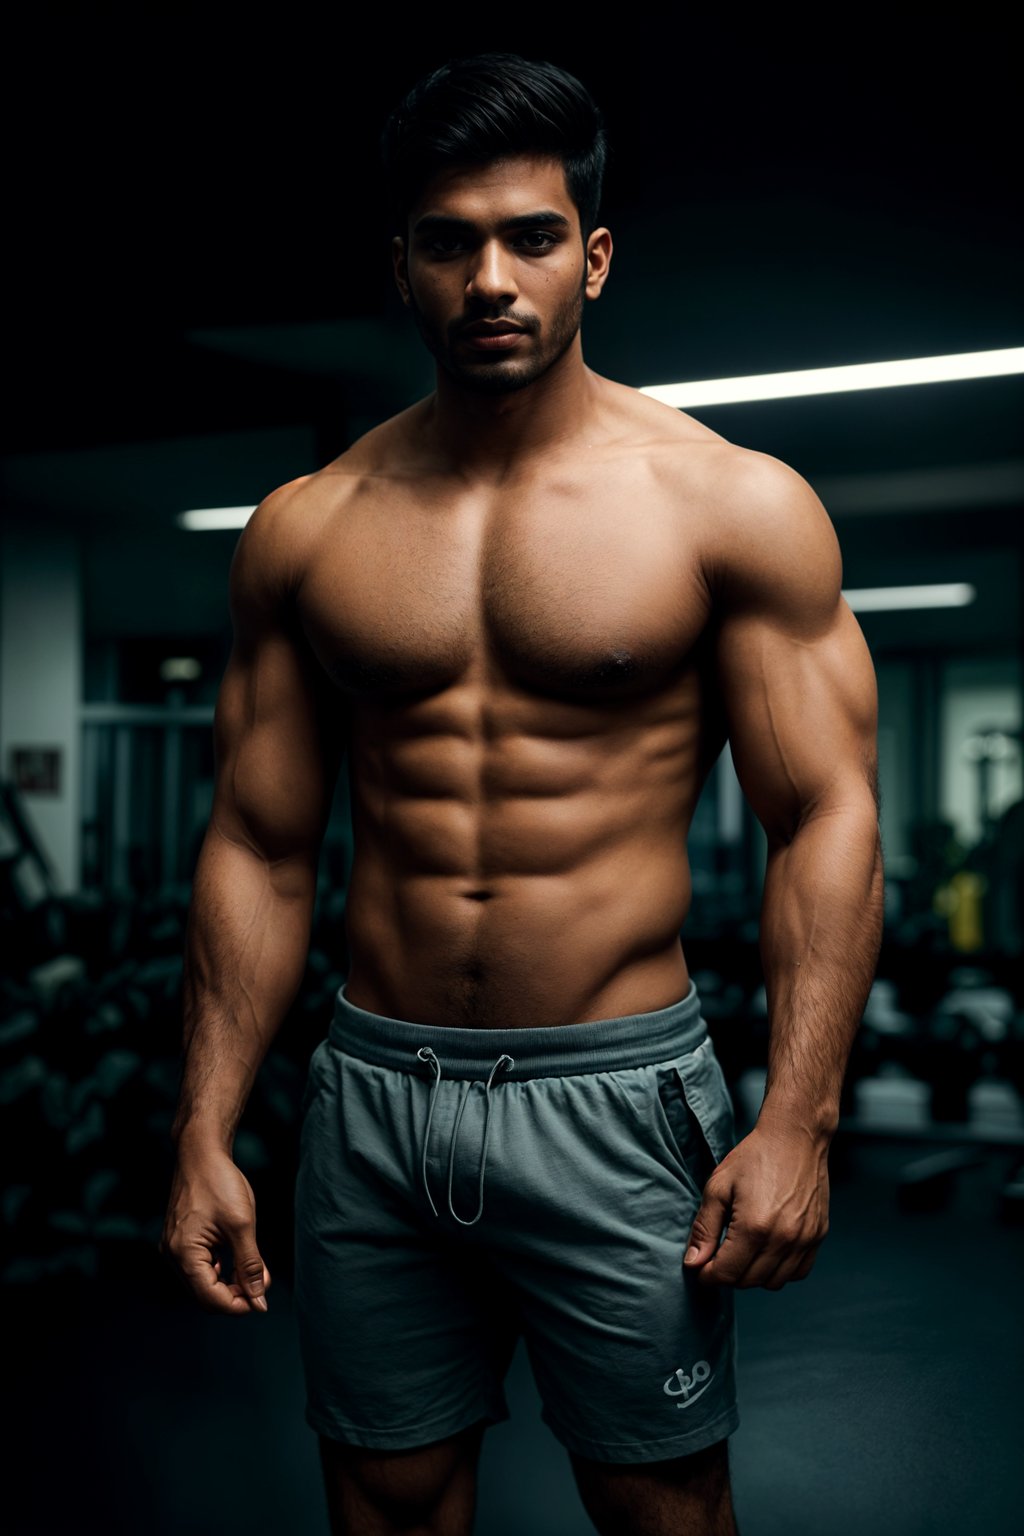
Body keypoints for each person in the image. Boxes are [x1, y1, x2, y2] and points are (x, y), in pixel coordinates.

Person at [161, 51, 884, 1536]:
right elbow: (258, 837)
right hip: (373, 1093)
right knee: (387, 1499)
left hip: (616, 1092)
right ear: (405, 268)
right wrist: (204, 1125)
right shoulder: (306, 532)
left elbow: (828, 816)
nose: (491, 277)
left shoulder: (729, 505)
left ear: (594, 260)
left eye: (532, 238)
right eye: (449, 242)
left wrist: (801, 1118)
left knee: (661, 1504)